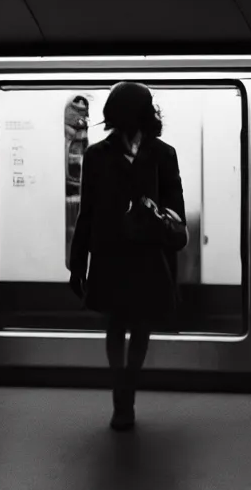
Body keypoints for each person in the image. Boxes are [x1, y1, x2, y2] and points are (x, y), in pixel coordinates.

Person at [69, 82, 186, 430]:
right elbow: (87, 213)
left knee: (136, 326)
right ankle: (123, 395)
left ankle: (125, 394)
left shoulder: (160, 155)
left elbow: (174, 207)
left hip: (145, 252)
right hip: (116, 253)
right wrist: (78, 262)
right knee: (121, 325)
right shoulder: (99, 155)